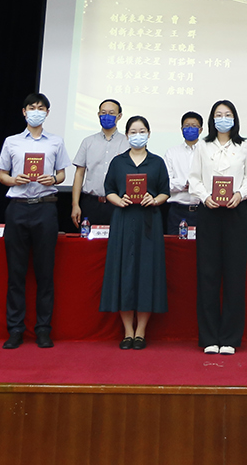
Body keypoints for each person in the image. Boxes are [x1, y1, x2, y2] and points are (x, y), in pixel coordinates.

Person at [0, 92, 70, 349]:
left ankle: (43, 329)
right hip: (17, 208)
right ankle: (15, 329)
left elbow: (62, 174)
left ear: (47, 113)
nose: (36, 111)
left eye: (41, 108)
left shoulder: (56, 142)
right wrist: (13, 180)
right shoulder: (12, 142)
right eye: (32, 107)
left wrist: (54, 179)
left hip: (45, 208)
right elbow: (2, 175)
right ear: (24, 111)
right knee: (16, 273)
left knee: (45, 273)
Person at [188, 99, 247, 354]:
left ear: (235, 119)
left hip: (235, 212)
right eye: (219, 114)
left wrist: (240, 194)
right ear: (212, 119)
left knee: (234, 275)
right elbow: (194, 178)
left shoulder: (244, 146)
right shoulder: (202, 146)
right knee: (207, 274)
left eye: (228, 114)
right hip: (209, 211)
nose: (223, 118)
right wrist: (205, 196)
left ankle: (229, 337)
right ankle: (209, 337)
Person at [101, 116, 170, 349]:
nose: (137, 135)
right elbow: (109, 189)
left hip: (149, 222)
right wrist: (118, 200)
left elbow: (165, 191)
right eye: (133, 131)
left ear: (149, 134)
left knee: (146, 274)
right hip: (123, 220)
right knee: (124, 273)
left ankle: (140, 331)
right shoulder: (118, 162)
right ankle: (127, 331)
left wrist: (155, 199)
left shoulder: (157, 162)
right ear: (127, 134)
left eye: (141, 131)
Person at [72, 98, 130, 230]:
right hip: (91, 203)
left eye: (111, 113)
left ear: (119, 116)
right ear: (98, 115)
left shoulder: (127, 142)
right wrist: (75, 204)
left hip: (118, 204)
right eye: (103, 113)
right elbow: (79, 174)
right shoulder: (88, 142)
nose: (106, 116)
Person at [164, 110, 203, 233]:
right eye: (186, 126)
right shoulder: (172, 153)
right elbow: (166, 183)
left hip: (203, 210)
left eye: (194, 126)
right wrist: (185, 184)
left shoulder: (208, 151)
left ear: (200, 130)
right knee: (175, 244)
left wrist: (197, 185)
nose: (190, 129)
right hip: (177, 211)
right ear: (181, 129)